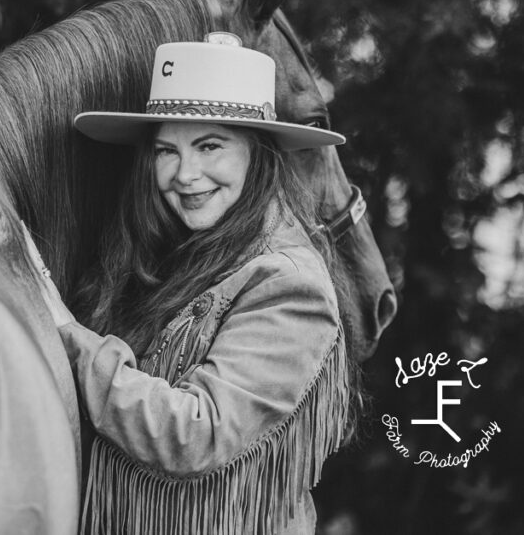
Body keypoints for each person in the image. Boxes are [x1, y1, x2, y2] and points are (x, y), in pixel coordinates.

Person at [30, 32, 353, 534]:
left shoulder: (289, 284)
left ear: (257, 153)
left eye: (209, 146)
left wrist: (65, 333)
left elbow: (195, 434)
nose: (185, 174)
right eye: (166, 151)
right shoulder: (168, 252)